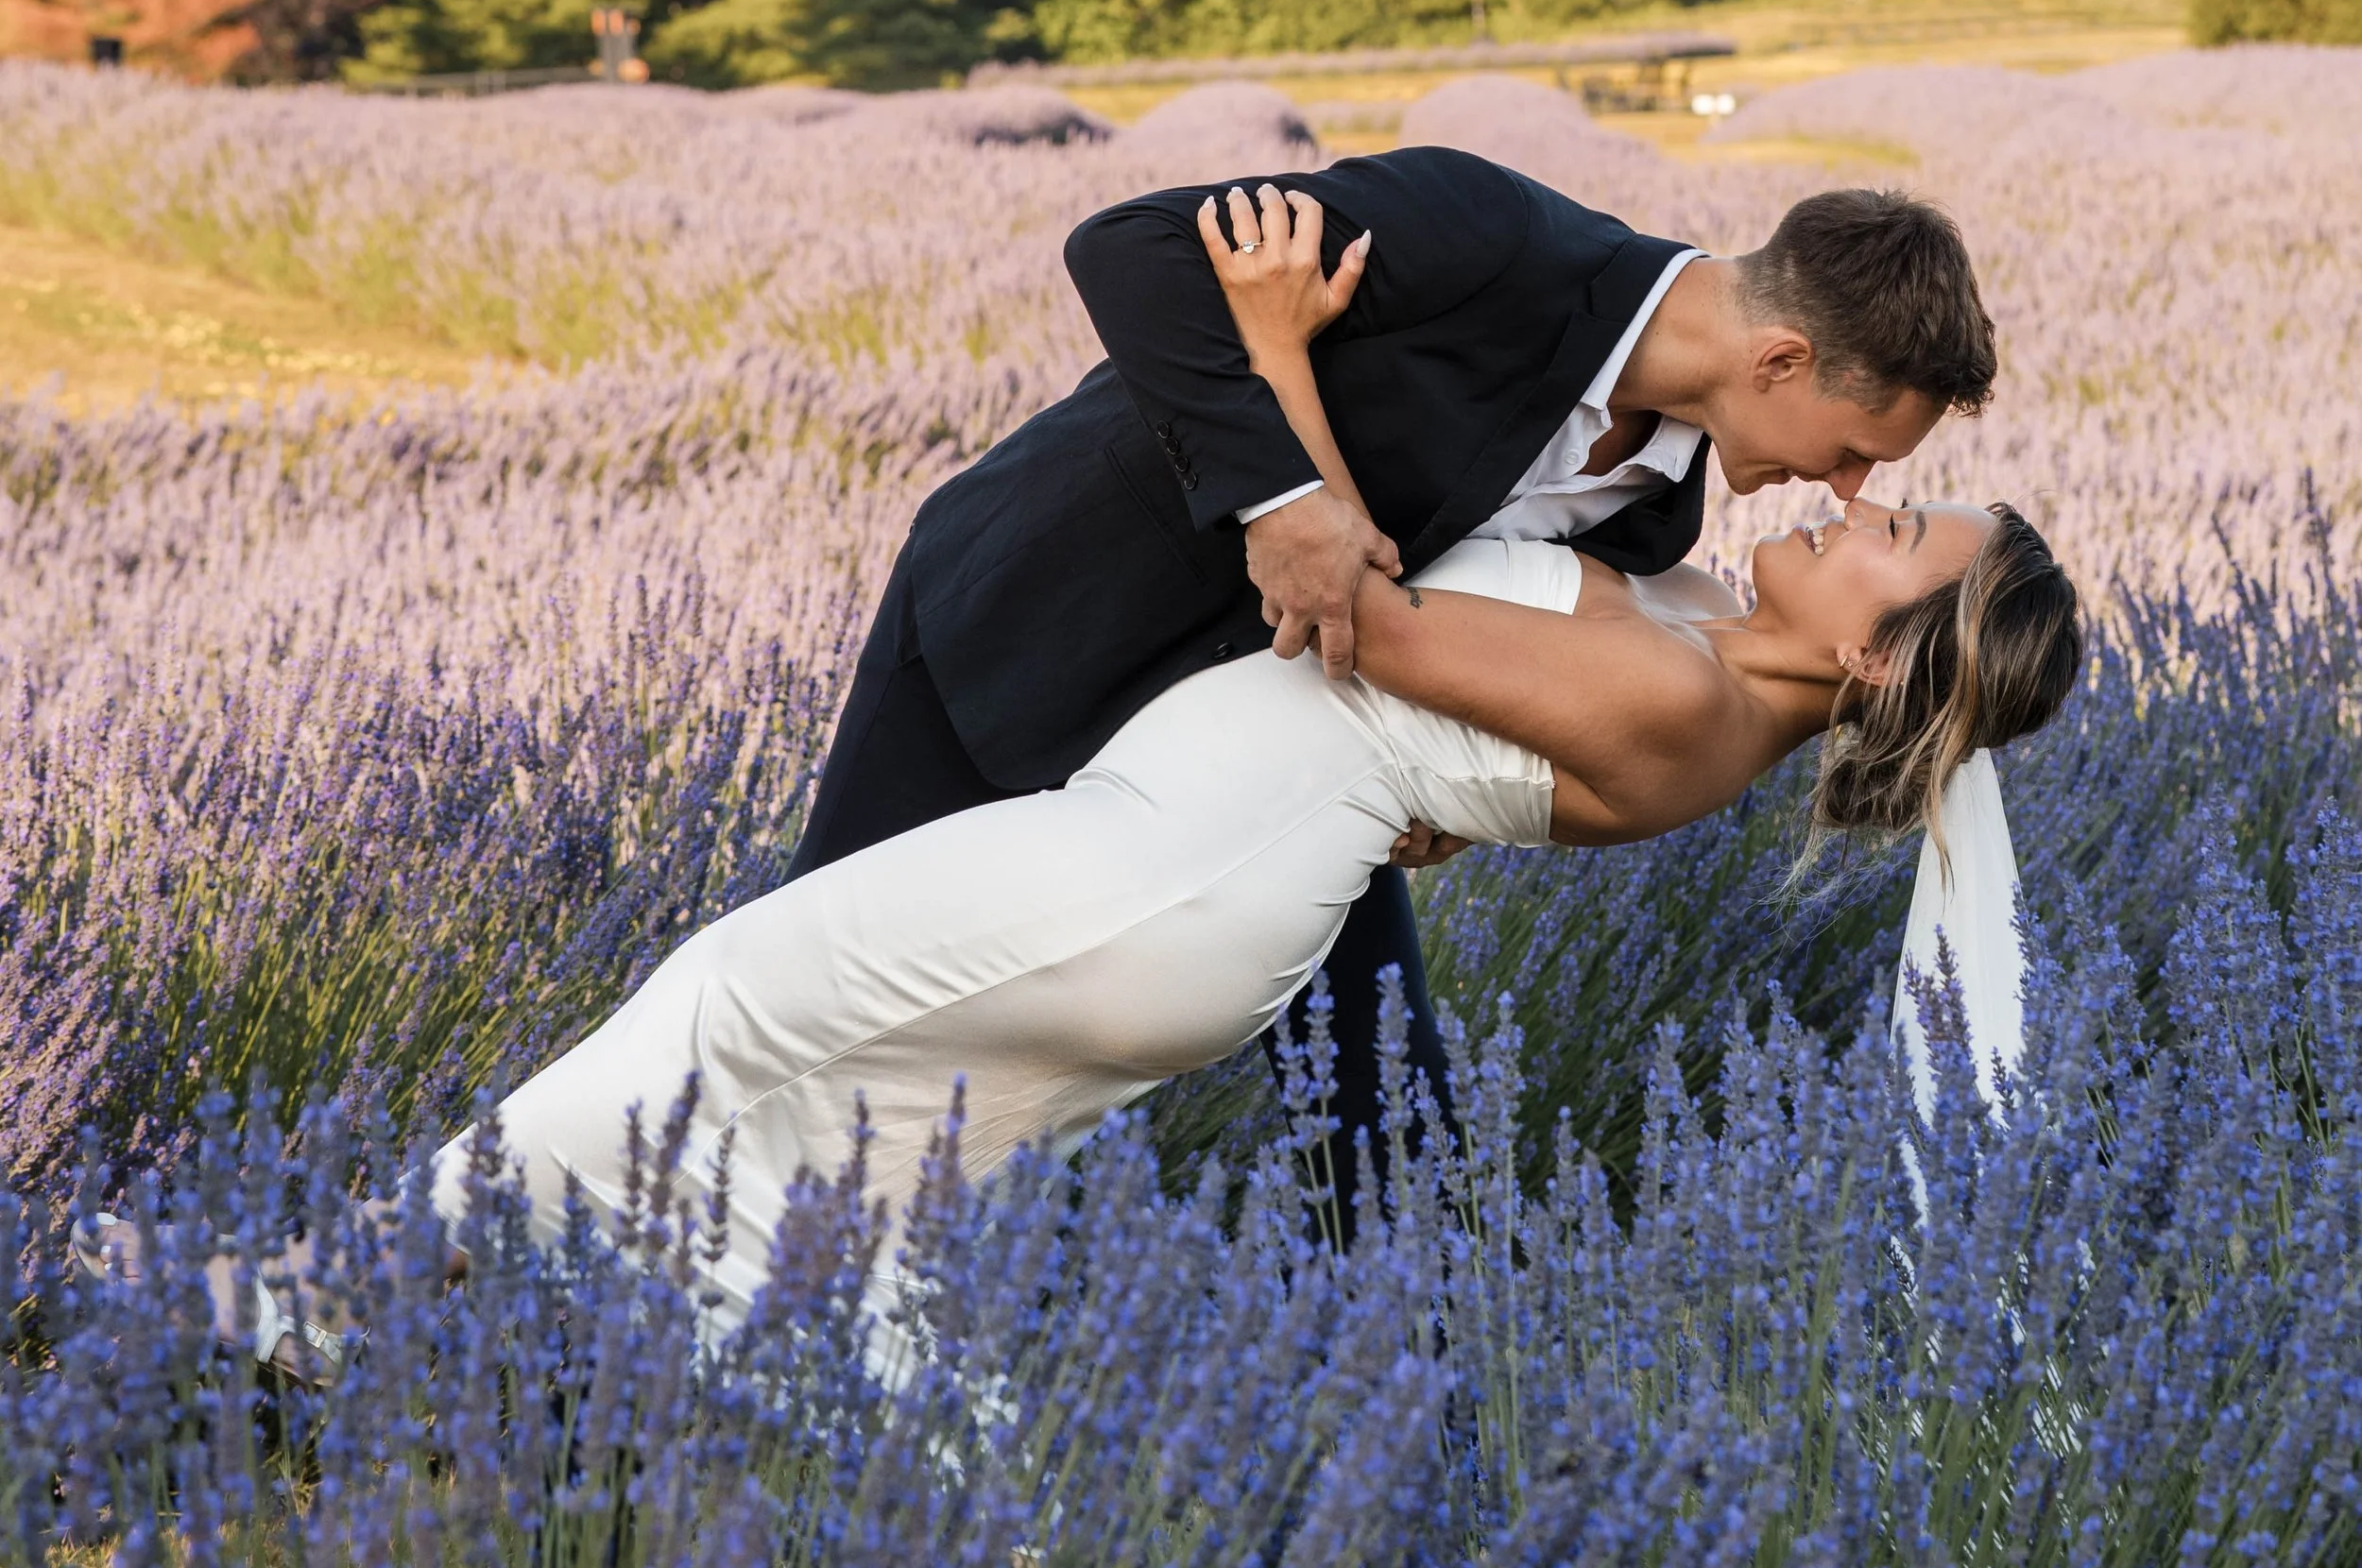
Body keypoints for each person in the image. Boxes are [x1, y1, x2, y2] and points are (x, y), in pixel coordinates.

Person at [407, 187, 2079, 1344]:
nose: (1856, 493)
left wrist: (1278, 350)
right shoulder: (1676, 546)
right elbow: (1444, 647)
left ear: (1877, 659)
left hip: (1169, 878)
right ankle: (901, 1520)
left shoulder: (1693, 696)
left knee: (733, 1009)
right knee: (860, 1174)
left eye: (1893, 511)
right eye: (1877, 463)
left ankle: (312, 1327)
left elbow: (1363, 619)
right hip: (1135, 767)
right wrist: (1445, 779)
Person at [786, 148, 1999, 1230]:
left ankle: (1414, 1419)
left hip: (1266, 778)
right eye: (1853, 451)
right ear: (1782, 358)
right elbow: (1128, 247)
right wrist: (1284, 499)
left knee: (1381, 1117)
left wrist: (1456, 800)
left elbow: (1491, 665)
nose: (1840, 489)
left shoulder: (1655, 509)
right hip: (1028, 632)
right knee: (818, 1021)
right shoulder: (1491, 235)